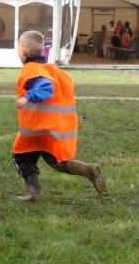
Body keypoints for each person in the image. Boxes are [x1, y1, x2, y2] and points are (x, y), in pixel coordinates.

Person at [13, 30, 106, 203]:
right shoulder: (50, 69)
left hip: (36, 130)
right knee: (56, 162)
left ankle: (34, 194)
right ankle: (87, 169)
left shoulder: (31, 70)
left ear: (24, 52)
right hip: (51, 129)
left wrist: (27, 98)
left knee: (21, 158)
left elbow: (46, 88)